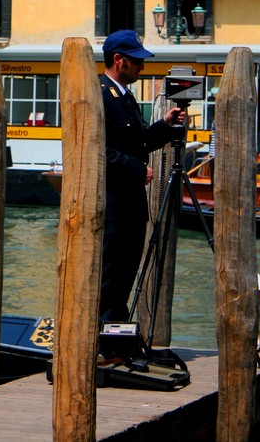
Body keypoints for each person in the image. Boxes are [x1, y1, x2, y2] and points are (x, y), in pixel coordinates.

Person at [98, 30, 182, 323]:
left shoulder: (124, 97)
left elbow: (139, 142)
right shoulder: (102, 96)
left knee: (125, 273)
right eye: (136, 62)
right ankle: (104, 338)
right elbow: (99, 150)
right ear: (119, 60)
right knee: (111, 276)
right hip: (114, 205)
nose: (141, 68)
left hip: (131, 206)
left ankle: (116, 334)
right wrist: (136, 169)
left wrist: (164, 125)